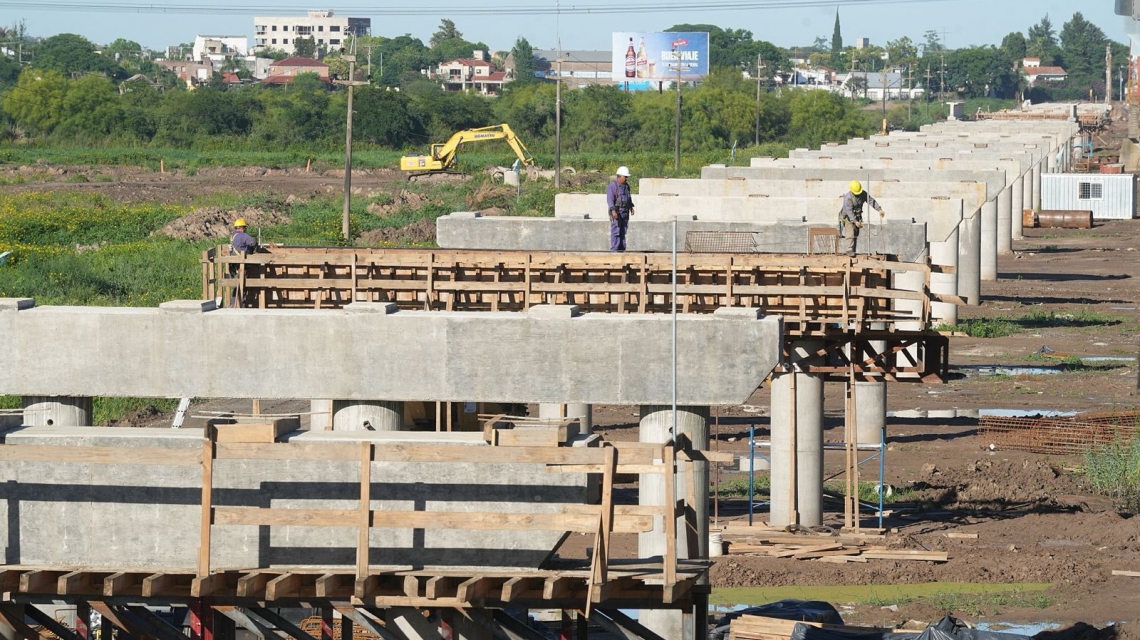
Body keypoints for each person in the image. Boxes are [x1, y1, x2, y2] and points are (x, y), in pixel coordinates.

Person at [838, 180, 884, 256]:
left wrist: (879, 209)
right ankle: (849, 250)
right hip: (848, 217)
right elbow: (849, 211)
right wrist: (855, 221)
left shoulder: (862, 193)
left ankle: (853, 250)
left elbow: (870, 200)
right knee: (850, 232)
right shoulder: (848, 198)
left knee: (856, 233)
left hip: (857, 216)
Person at [606, 166, 635, 252]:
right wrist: (613, 210)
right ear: (620, 176)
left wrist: (631, 207)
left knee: (623, 232)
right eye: (625, 177)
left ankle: (621, 250)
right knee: (616, 232)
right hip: (617, 213)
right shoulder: (613, 186)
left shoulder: (626, 186)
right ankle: (614, 251)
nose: (626, 178)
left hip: (625, 213)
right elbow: (610, 199)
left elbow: (628, 197)